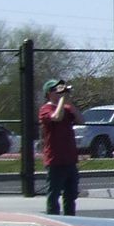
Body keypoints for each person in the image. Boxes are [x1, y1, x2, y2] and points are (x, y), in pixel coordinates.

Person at [38, 78, 80, 215]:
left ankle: (71, 220)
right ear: (49, 93)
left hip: (70, 159)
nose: (60, 92)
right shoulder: (45, 109)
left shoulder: (67, 108)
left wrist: (69, 102)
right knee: (54, 194)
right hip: (55, 159)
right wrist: (62, 100)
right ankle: (53, 221)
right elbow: (57, 117)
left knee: (71, 195)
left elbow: (81, 119)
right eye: (56, 90)